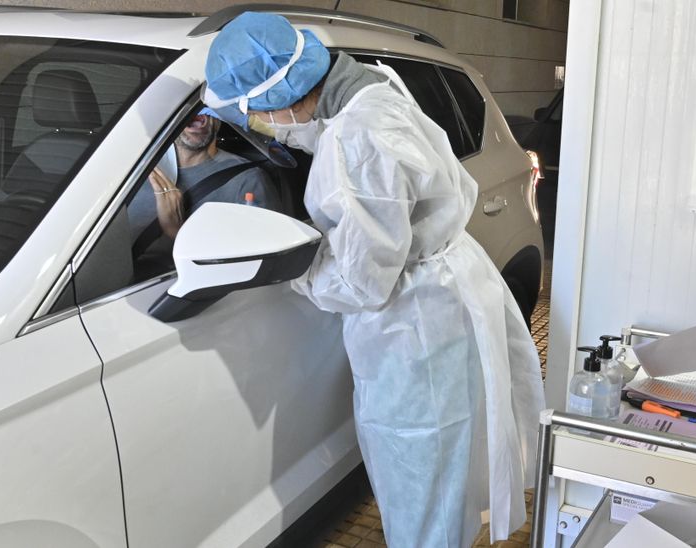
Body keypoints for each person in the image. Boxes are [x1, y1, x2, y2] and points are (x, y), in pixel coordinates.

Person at [202, 12, 545, 547]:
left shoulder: (361, 140)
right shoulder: (371, 87)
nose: (261, 125)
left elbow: (362, 282)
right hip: (440, 294)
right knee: (442, 467)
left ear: (282, 93)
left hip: (415, 323)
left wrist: (293, 270)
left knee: (421, 471)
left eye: (257, 113)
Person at [127, 111, 279, 240]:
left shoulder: (248, 180)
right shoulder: (135, 172)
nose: (197, 113)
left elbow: (256, 257)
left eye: (205, 108)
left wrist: (175, 230)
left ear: (219, 116)